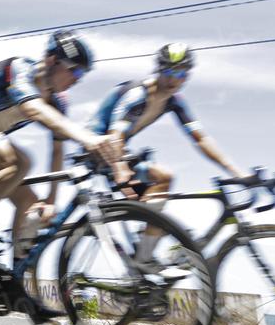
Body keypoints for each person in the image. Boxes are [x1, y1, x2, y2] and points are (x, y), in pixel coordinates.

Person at [0, 30, 118, 269]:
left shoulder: (58, 102)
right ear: (53, 60)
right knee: (21, 162)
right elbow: (33, 108)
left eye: (82, 74)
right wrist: (85, 137)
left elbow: (57, 150)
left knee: (30, 205)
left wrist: (51, 199)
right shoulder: (20, 69)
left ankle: (16, 279)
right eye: (75, 71)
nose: (78, 79)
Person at [87, 43, 245, 269]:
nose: (174, 79)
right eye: (169, 71)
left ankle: (145, 252)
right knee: (162, 178)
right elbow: (115, 134)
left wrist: (236, 171)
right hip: (97, 151)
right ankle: (144, 255)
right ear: (158, 70)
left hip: (116, 151)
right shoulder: (138, 94)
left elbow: (200, 138)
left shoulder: (173, 101)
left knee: (160, 195)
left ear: (187, 76)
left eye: (180, 73)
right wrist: (120, 167)